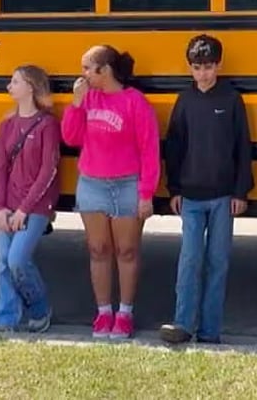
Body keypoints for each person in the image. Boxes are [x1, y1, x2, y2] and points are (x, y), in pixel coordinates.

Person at [61, 44, 160, 339]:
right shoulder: (88, 99)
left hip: (127, 183)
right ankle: (103, 312)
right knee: (98, 249)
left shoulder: (135, 101)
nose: (83, 75)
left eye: (87, 69)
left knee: (127, 250)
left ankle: (125, 313)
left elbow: (149, 150)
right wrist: (76, 104)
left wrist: (146, 193)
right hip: (92, 183)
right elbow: (70, 137)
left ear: (104, 70)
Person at [158, 34, 252, 345]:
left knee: (218, 263)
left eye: (209, 67)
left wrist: (240, 192)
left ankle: (210, 331)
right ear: (190, 68)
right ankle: (183, 323)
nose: (203, 74)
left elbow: (242, 147)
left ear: (219, 65)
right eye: (197, 68)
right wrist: (174, 189)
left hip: (224, 196)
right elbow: (174, 147)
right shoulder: (185, 101)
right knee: (190, 260)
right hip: (191, 196)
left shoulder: (231, 100)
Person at [0, 64, 62, 333]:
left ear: (31, 87)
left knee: (17, 259)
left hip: (36, 205)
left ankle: (39, 308)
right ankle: (5, 318)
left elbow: (48, 170)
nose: (9, 86)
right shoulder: (7, 124)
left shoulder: (47, 124)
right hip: (10, 203)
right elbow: (0, 168)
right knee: (4, 261)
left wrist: (24, 209)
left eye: (15, 82)